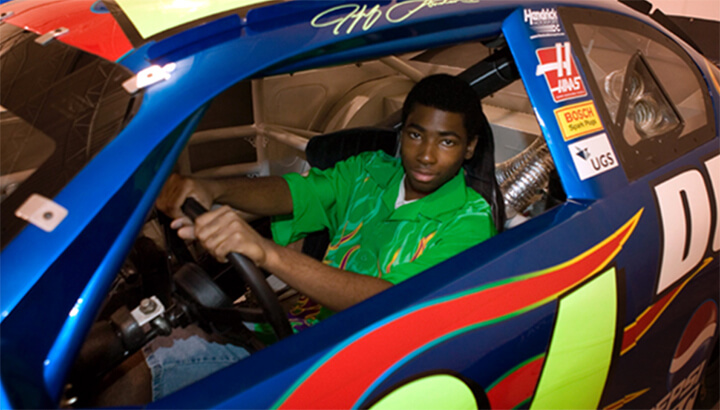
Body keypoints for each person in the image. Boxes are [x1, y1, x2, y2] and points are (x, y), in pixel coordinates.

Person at [104, 74, 497, 403]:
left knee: (150, 368)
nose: (426, 155)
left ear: (470, 148)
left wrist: (265, 252)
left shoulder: (470, 221)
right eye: (416, 134)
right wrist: (210, 188)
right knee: (130, 348)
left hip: (356, 366)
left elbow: (389, 302)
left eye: (446, 141)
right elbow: (295, 192)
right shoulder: (371, 170)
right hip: (296, 331)